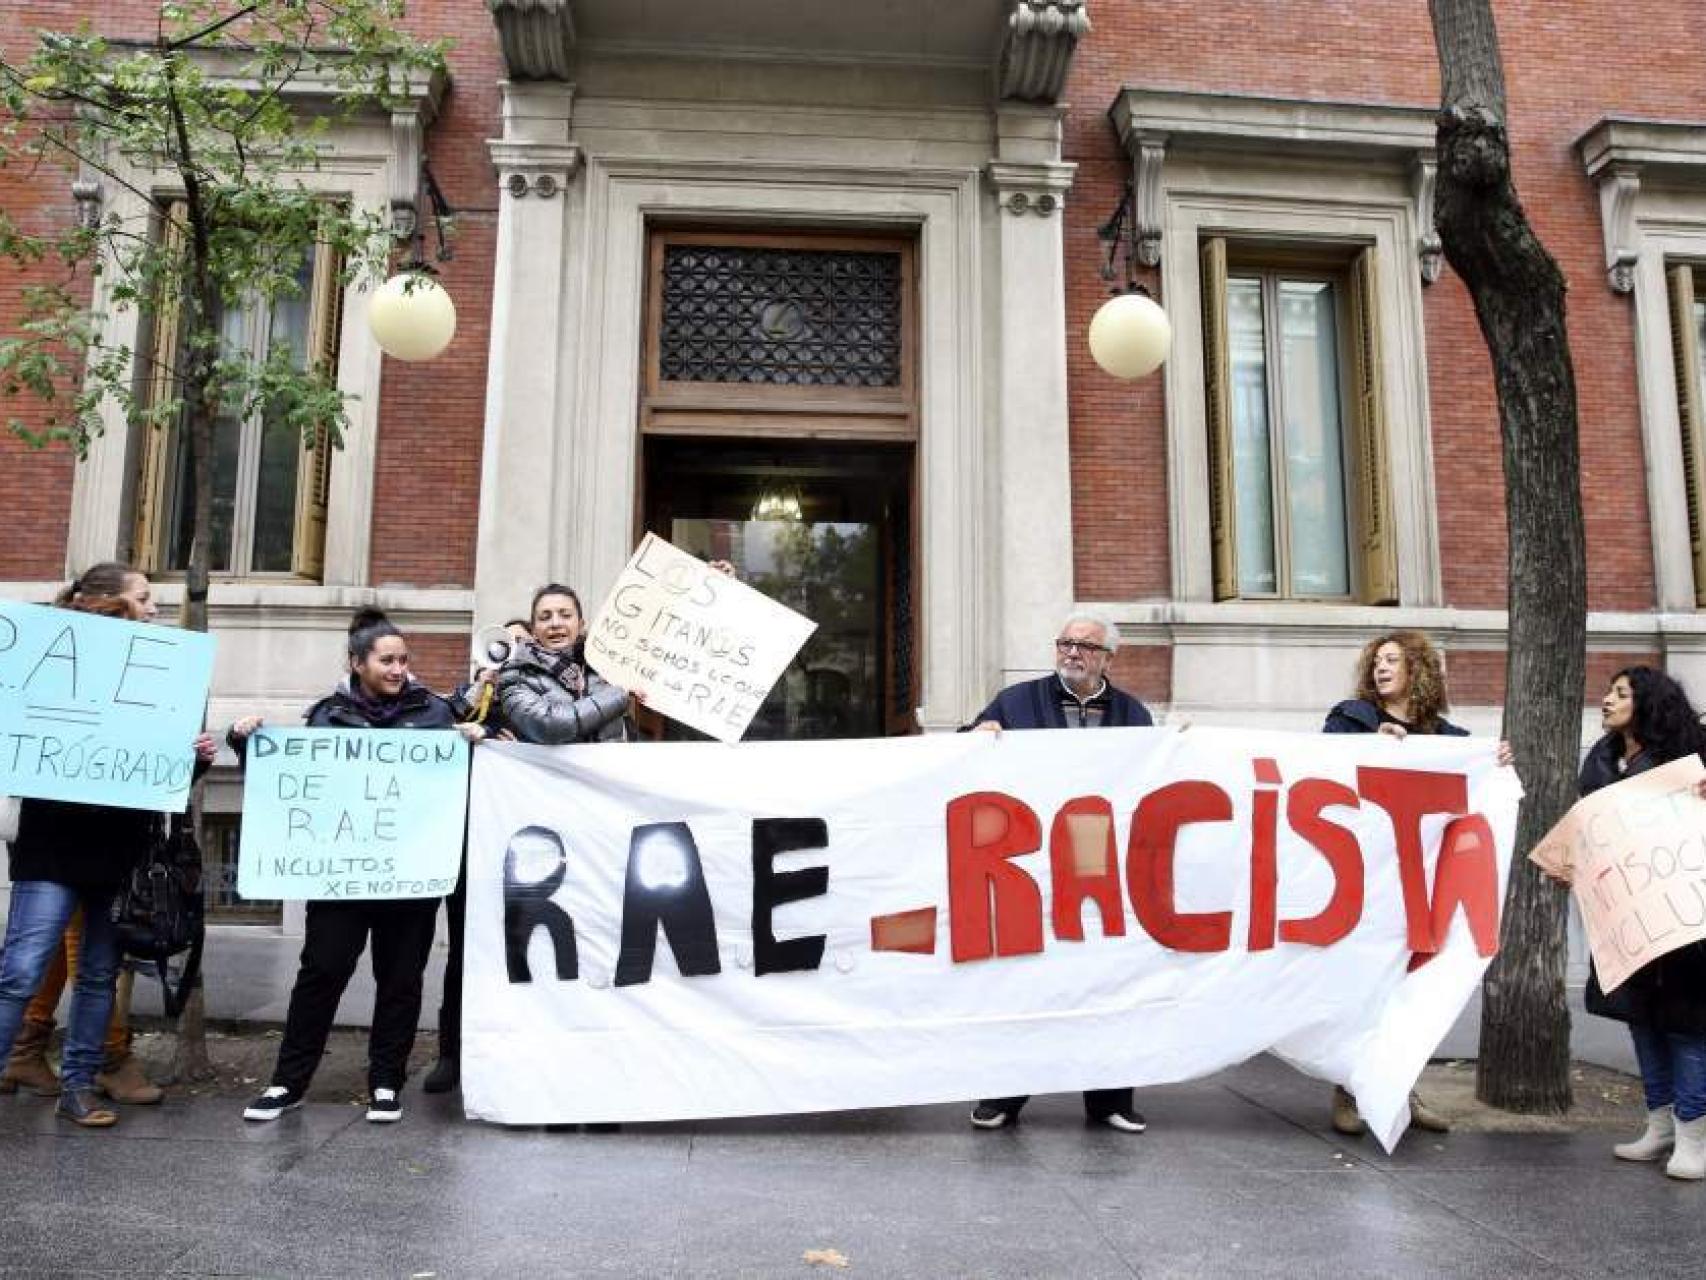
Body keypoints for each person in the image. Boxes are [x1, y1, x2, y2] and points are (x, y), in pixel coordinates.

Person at [233, 609, 484, 1124]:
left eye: (404, 660)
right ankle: (287, 1082)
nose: (398, 669)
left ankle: (386, 1083)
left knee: (401, 979)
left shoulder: (435, 714)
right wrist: (246, 740)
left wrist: (475, 748)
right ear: (357, 662)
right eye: (387, 660)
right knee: (322, 973)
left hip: (410, 878)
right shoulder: (328, 715)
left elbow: (459, 785)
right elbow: (292, 780)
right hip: (341, 878)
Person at [0, 563, 217, 1127]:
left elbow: (161, 779)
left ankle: (79, 1089)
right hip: (53, 846)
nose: (154, 608)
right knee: (22, 970)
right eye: (144, 598)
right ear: (109, 603)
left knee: (99, 973)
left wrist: (193, 759)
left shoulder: (161, 673)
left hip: (120, 853)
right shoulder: (52, 658)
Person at [965, 612, 1152, 1134]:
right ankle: (1004, 1095)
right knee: (1025, 980)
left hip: (1101, 868)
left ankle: (1110, 1100)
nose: (1072, 652)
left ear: (1107, 659)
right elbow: (963, 751)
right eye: (1065, 643)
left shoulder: (1134, 714)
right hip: (1033, 864)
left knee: (1107, 982)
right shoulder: (1017, 701)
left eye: (1086, 646)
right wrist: (978, 734)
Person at [1321, 629, 1512, 1138]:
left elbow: (1471, 784)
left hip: (1419, 886)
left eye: (1392, 660)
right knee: (1367, 985)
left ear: (1417, 670)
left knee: (1411, 985)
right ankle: (1348, 1088)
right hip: (1366, 877)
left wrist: (1495, 764)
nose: (1381, 668)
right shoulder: (1352, 718)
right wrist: (1367, 747)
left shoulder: (1445, 737)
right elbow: (1321, 767)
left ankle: (1401, 1086)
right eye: (1376, 661)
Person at [1569, 667, 1706, 1181]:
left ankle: (1694, 1134)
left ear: (1647, 704)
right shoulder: (1602, 762)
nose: (1606, 700)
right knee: (1642, 1020)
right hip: (1625, 917)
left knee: (1687, 1025)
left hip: (1684, 920)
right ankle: (1661, 1125)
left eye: (1620, 693)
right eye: (1609, 691)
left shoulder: (1690, 761)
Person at [421, 618, 528, 1096]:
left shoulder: (546, 700)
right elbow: (433, 728)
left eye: (523, 644)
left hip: (527, 854)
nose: (514, 649)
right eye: (508, 642)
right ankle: (452, 1052)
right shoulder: (468, 699)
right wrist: (478, 692)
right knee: (464, 952)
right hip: (471, 845)